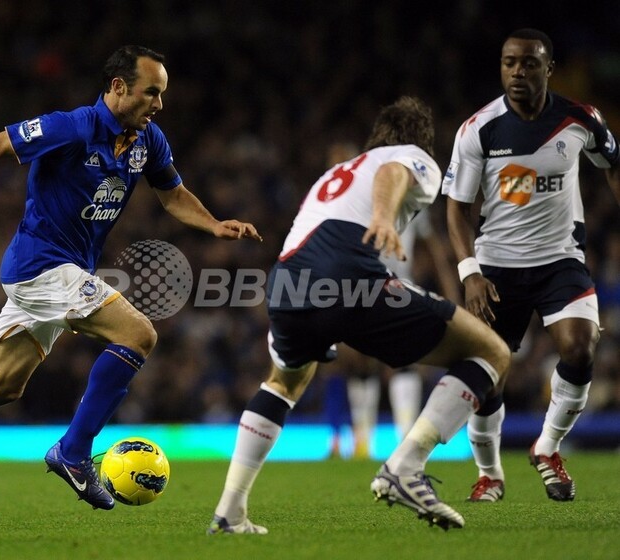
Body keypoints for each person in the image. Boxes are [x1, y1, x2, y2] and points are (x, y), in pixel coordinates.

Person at [0, 45, 262, 528]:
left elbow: (173, 194)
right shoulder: (73, 127)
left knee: (1, 384)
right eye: (150, 92)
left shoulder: (148, 140)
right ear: (118, 88)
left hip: (63, 272)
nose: (159, 104)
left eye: (162, 94)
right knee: (139, 334)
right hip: (41, 266)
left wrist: (215, 224)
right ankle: (74, 452)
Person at [208, 96, 511, 534]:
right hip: (347, 275)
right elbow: (395, 172)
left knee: (283, 383)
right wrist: (384, 218)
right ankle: (406, 466)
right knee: (491, 352)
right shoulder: (412, 157)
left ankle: (230, 511)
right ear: (420, 141)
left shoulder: (336, 172)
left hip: (286, 281)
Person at [444, 28, 620, 502]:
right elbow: (456, 209)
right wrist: (470, 273)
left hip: (560, 260)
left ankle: (547, 447)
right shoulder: (479, 129)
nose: (518, 71)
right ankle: (490, 474)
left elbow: (613, 163)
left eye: (528, 63)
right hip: (496, 268)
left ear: (549, 69)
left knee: (580, 349)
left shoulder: (579, 119)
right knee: (487, 374)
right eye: (509, 63)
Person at [324, 208, 458, 459]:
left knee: (404, 359)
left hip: (397, 286)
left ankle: (405, 438)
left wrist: (450, 289)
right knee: (359, 361)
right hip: (360, 286)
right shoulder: (360, 202)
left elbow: (433, 248)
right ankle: (362, 443)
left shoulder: (415, 203)